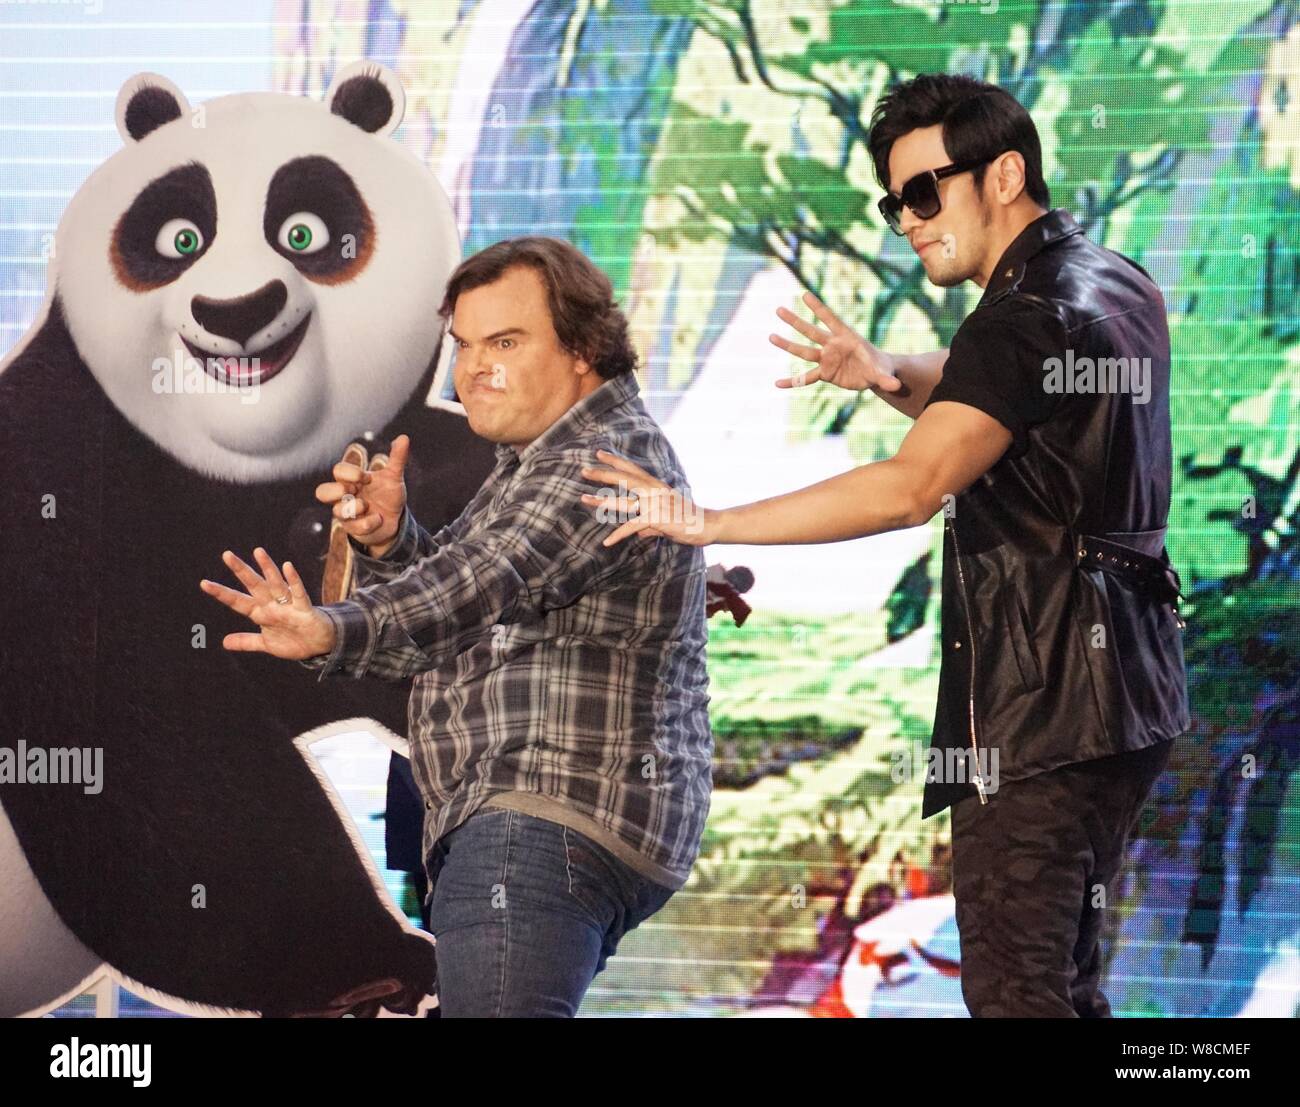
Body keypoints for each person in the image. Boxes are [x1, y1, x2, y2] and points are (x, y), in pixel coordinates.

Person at [582, 73, 1189, 1018]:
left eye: (923, 191)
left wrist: (705, 521)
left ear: (1004, 175)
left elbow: (911, 489)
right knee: (1065, 986)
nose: (904, 218)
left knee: (1020, 992)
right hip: (1127, 701)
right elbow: (991, 390)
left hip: (1040, 717)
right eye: (892, 199)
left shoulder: (1022, 316)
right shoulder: (1111, 281)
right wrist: (882, 372)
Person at [200, 236, 713, 1017]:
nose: (474, 368)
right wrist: (388, 540)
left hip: (539, 817)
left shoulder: (597, 460)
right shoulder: (541, 460)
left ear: (583, 348)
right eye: (464, 345)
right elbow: (476, 606)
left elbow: (479, 584)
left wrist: (332, 627)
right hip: (538, 821)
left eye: (504, 342)